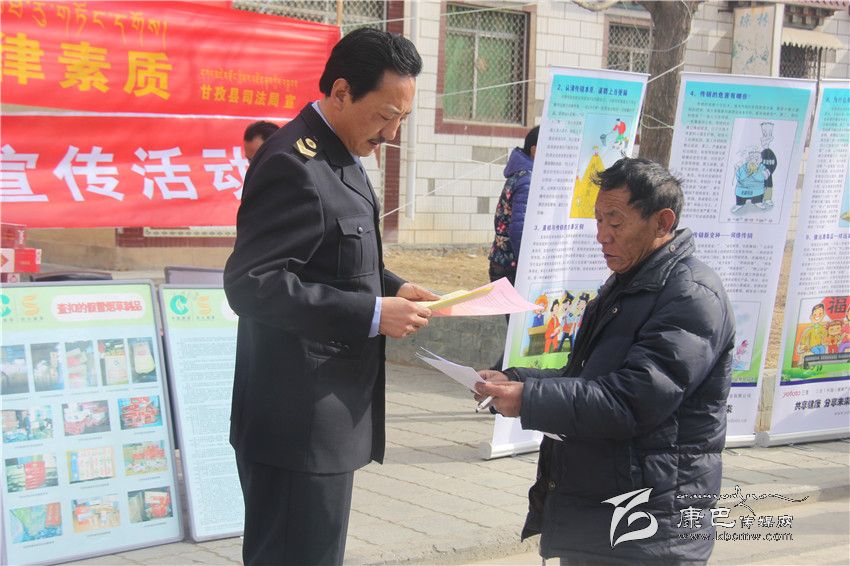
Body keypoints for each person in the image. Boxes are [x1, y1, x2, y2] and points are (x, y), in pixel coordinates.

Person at [224, 28, 437, 566]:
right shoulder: (291, 163)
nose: (391, 133)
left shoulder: (341, 153)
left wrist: (392, 287)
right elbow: (251, 283)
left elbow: (333, 255)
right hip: (294, 422)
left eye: (402, 120)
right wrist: (372, 312)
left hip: (326, 417)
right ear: (341, 92)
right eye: (385, 116)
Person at [474, 158, 735, 565]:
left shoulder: (691, 295)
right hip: (604, 510)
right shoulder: (628, 284)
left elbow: (632, 400)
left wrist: (529, 399)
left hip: (650, 524)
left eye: (615, 222)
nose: (602, 236)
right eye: (598, 220)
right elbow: (584, 377)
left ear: (662, 221)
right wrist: (513, 379)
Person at [487, 125, 539, 286]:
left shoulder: (523, 175)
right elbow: (519, 228)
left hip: (504, 261)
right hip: (512, 266)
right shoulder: (528, 179)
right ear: (535, 150)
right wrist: (527, 265)